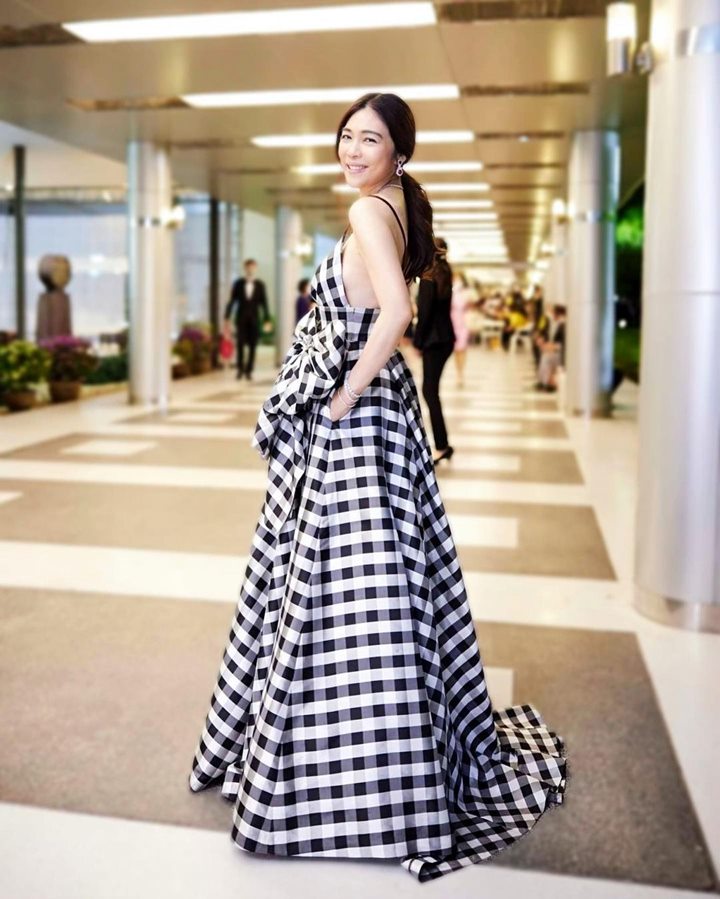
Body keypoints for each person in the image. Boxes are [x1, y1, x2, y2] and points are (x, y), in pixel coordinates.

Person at [188, 92, 568, 883]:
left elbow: (393, 313)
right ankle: (387, 757)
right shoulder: (393, 206)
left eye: (371, 138)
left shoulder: (369, 211)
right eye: (348, 136)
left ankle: (333, 768)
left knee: (332, 581)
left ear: (400, 151)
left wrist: (341, 396)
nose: (353, 149)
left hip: (357, 421)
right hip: (385, 420)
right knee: (386, 582)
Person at [413, 237, 455, 464]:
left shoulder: (429, 276)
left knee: (429, 391)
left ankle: (442, 445)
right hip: (445, 338)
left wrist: (418, 342)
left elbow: (425, 314)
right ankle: (442, 444)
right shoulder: (445, 272)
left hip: (434, 340)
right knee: (431, 391)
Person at [223, 258, 270, 380]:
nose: (250, 269)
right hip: (241, 318)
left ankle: (249, 370)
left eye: (252, 267)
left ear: (255, 268)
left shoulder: (260, 285)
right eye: (248, 267)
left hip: (254, 318)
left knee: (253, 345)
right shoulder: (238, 284)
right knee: (240, 343)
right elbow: (232, 301)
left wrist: (267, 319)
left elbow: (264, 303)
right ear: (245, 268)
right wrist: (227, 316)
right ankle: (240, 369)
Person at [535, 303, 566, 391]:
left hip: (563, 353)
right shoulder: (555, 324)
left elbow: (564, 344)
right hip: (557, 350)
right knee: (545, 355)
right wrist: (543, 342)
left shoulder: (564, 326)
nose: (551, 314)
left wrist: (553, 347)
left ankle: (546, 382)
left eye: (552, 312)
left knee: (547, 357)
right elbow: (545, 334)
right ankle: (543, 381)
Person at [450, 270, 472, 386]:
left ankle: (461, 373)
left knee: (462, 348)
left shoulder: (466, 292)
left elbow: (470, 306)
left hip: (463, 323)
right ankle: (458, 372)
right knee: (456, 350)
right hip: (453, 323)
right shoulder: (449, 290)